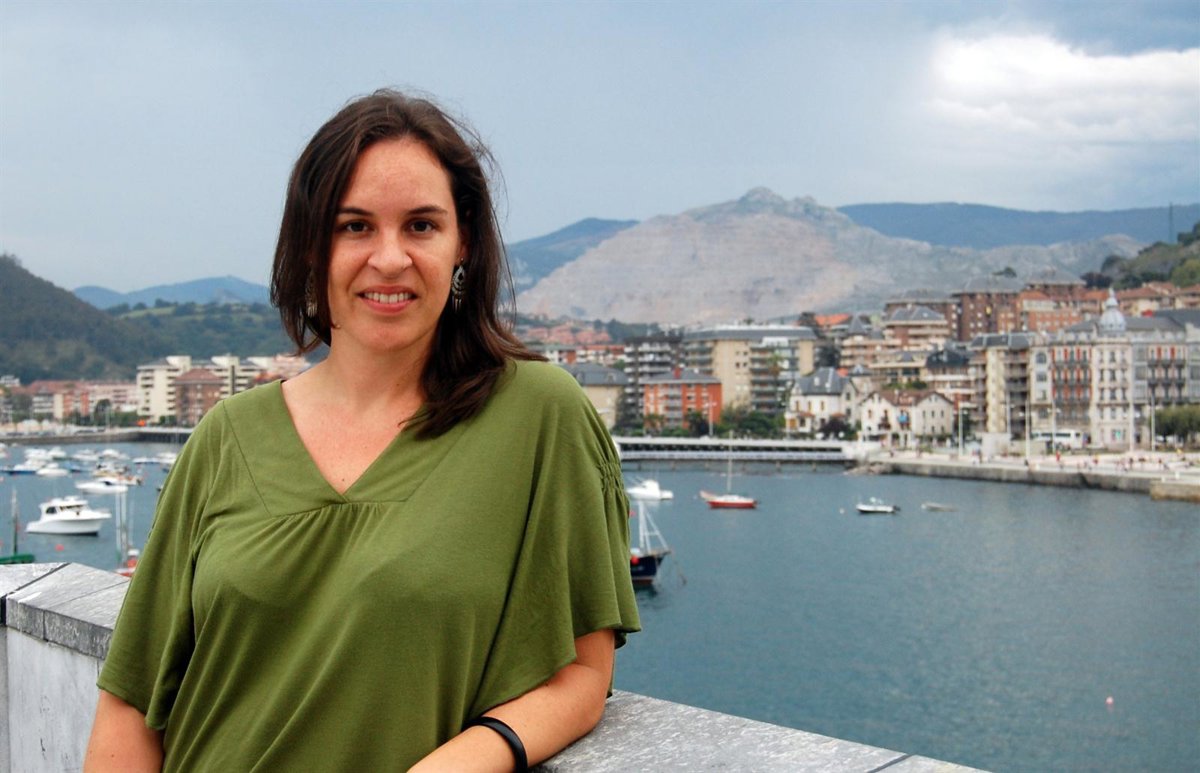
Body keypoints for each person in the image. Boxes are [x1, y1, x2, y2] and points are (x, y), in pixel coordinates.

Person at [84, 89, 640, 772]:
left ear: (463, 241)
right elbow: (131, 700)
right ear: (312, 246)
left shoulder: (540, 416)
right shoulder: (227, 436)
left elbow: (582, 674)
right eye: (354, 226)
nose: (389, 258)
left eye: (421, 225)